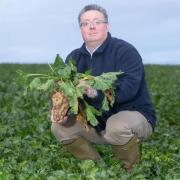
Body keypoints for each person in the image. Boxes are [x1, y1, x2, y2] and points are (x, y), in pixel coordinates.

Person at [51, 4, 156, 171]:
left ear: (107, 25)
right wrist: (59, 110)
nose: (91, 27)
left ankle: (130, 171)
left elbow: (130, 89)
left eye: (97, 21)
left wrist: (95, 93)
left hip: (135, 116)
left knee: (117, 125)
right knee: (59, 127)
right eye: (85, 23)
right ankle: (97, 169)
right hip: (96, 123)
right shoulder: (74, 57)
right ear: (80, 29)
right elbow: (64, 90)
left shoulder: (125, 51)